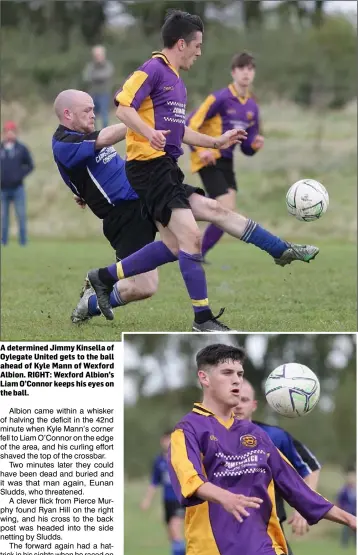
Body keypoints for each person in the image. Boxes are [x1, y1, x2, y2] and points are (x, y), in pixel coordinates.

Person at [87, 9, 319, 332]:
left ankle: (281, 250)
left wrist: (216, 141)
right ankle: (202, 319)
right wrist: (148, 132)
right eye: (197, 45)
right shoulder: (152, 69)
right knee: (192, 237)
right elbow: (123, 107)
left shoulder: (177, 84)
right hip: (146, 167)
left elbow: (180, 129)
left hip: (165, 168)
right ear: (181, 44)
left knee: (210, 214)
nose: (200, 51)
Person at [168, 343, 356, 555]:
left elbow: (295, 487)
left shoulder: (256, 435)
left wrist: (349, 519)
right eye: (227, 372)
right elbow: (188, 479)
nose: (236, 380)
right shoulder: (188, 430)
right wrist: (224, 496)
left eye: (240, 374)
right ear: (204, 378)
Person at [52, 89, 171, 322]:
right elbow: (105, 138)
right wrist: (140, 122)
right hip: (125, 216)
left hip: (142, 198)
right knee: (144, 287)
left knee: (191, 226)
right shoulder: (64, 143)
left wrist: (80, 192)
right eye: (87, 110)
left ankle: (202, 312)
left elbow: (85, 175)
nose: (93, 115)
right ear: (68, 114)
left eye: (93, 109)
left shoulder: (81, 135)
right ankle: (93, 299)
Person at [226, 379, 322, 555]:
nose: (238, 404)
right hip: (227, 539)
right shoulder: (208, 437)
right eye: (233, 398)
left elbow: (310, 467)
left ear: (254, 404)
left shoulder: (274, 436)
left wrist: (303, 508)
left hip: (270, 535)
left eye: (244, 399)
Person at [186, 52, 264, 258]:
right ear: (233, 72)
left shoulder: (252, 106)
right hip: (208, 157)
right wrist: (201, 150)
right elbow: (190, 123)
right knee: (225, 210)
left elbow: (246, 147)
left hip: (227, 160)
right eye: (242, 68)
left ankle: (195, 251)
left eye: (250, 69)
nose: (246, 73)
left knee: (225, 213)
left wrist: (255, 145)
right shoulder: (219, 98)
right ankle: (195, 252)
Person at [141, 430, 185, 555]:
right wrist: (147, 500)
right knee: (172, 536)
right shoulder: (158, 461)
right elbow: (154, 482)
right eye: (166, 440)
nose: (168, 443)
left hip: (179, 501)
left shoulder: (181, 459)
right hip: (167, 502)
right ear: (162, 441)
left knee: (175, 531)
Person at [1, 120, 34, 246]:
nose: (9, 134)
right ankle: (3, 242)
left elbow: (30, 165)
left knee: (21, 216)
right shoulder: (1, 148)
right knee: (3, 218)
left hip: (18, 188)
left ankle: (23, 242)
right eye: (7, 132)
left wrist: (19, 175)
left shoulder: (21, 149)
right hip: (2, 189)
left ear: (15, 133)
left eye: (12, 132)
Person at [83, 45, 114, 128]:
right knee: (92, 116)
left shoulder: (108, 65)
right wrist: (98, 77)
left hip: (104, 94)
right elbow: (86, 77)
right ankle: (94, 134)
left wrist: (95, 76)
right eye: (96, 55)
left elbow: (107, 74)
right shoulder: (90, 66)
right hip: (93, 94)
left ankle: (105, 134)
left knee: (104, 116)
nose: (98, 57)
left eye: (99, 55)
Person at [336, 467, 356, 548]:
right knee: (345, 529)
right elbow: (340, 500)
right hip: (347, 511)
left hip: (355, 511)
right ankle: (344, 544)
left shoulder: (355, 489)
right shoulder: (344, 489)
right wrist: (343, 507)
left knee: (356, 528)